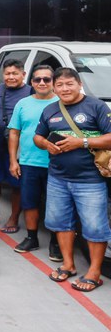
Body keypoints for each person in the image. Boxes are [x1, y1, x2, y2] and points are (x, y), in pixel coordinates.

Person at [34, 67, 111, 292]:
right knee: (61, 223)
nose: (65, 89)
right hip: (58, 178)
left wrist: (82, 143)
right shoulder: (50, 110)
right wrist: (44, 143)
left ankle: (94, 273)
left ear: (79, 84)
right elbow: (38, 135)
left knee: (95, 227)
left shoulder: (96, 106)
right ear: (54, 87)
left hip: (90, 180)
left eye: (70, 84)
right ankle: (68, 265)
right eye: (60, 85)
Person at [8, 65, 61, 257]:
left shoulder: (62, 102)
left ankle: (56, 242)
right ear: (31, 82)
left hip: (57, 164)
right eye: (37, 79)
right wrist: (14, 160)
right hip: (29, 162)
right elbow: (14, 133)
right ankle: (32, 237)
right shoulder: (23, 104)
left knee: (55, 205)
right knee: (29, 202)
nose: (42, 83)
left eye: (47, 79)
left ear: (53, 82)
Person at [0, 59, 33, 233]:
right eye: (7, 73)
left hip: (20, 148)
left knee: (17, 183)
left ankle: (13, 218)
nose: (10, 77)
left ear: (23, 75)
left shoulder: (31, 91)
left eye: (15, 73)